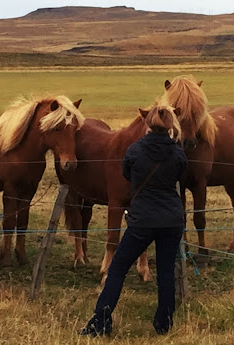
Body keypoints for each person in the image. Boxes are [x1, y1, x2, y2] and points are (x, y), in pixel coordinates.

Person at [79, 104, 188, 337]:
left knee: (117, 270)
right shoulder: (178, 153)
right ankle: (163, 323)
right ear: (171, 127)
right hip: (171, 220)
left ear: (146, 124)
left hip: (142, 221)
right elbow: (180, 175)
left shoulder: (134, 151)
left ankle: (101, 322)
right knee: (167, 272)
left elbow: (127, 175)